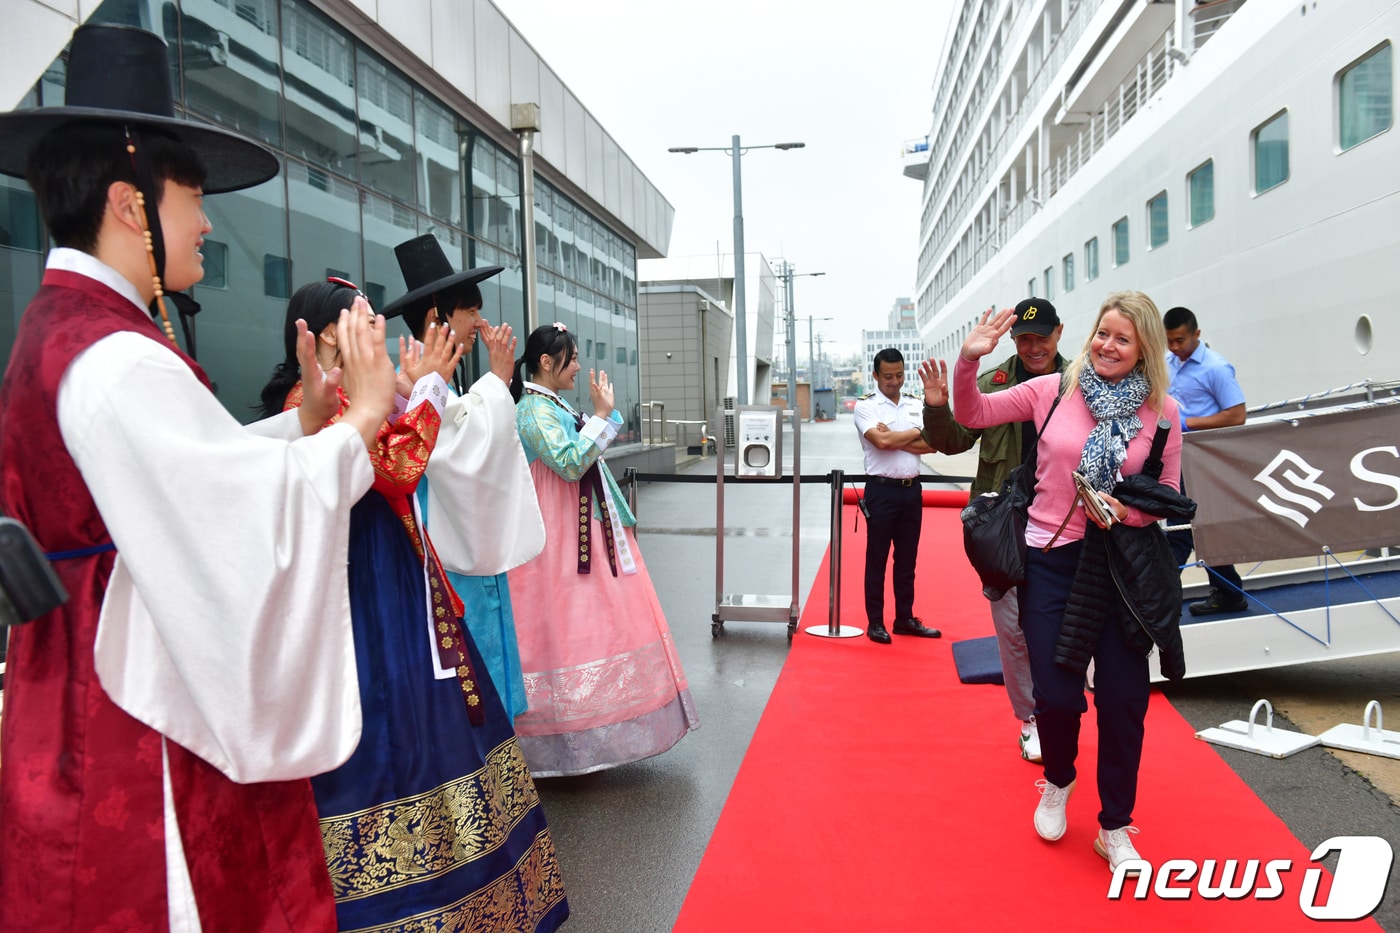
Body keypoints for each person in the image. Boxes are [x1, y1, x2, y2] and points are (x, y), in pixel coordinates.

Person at [0, 24, 397, 929]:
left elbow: (192, 483)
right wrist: (364, 418)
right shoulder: (115, 357)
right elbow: (228, 520)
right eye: (192, 199)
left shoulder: (63, 330)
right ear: (132, 206)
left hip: (74, 673)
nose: (208, 222)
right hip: (134, 702)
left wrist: (301, 426)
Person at [260, 280, 568, 931]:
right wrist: (424, 388)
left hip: (388, 576)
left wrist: (417, 384)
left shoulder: (343, 397)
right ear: (326, 338)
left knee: (422, 725)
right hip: (359, 596)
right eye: (366, 323)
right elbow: (399, 466)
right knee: (389, 731)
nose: (377, 332)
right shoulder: (313, 404)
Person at [950, 291, 1183, 874]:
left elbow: (1169, 497)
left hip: (1122, 568)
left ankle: (1115, 826)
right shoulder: (1052, 391)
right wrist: (968, 360)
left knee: (1125, 701)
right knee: (1055, 696)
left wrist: (1123, 512)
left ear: (1144, 350)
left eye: (1121, 339)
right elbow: (971, 414)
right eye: (1102, 332)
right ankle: (1058, 781)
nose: (1106, 345)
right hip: (1051, 558)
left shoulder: (1165, 414)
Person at [507, 323, 699, 776]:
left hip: (576, 528)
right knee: (563, 625)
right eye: (571, 358)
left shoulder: (548, 405)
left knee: (587, 622)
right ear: (547, 363)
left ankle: (590, 733)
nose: (577, 366)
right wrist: (604, 416)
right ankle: (564, 737)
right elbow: (571, 463)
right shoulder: (532, 411)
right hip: (557, 537)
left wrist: (600, 417)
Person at [383, 234, 545, 718]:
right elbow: (453, 447)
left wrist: (492, 389)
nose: (480, 322)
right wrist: (496, 381)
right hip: (443, 541)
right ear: (438, 317)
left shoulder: (438, 381)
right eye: (468, 311)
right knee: (465, 655)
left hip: (457, 534)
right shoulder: (410, 379)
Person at [919, 297, 1067, 760]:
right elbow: (951, 441)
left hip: (1065, 520)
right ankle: (1031, 719)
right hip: (1005, 525)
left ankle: (1059, 706)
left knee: (1062, 623)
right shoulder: (995, 381)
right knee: (1013, 628)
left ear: (1058, 333)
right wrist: (938, 407)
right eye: (1023, 339)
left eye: (1041, 337)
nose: (1033, 347)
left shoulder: (1081, 383)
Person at [1163, 305, 1249, 615]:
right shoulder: (1167, 363)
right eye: (1170, 341)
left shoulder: (1216, 368)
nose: (1175, 347)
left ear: (1197, 335)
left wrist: (1188, 422)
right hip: (1177, 459)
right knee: (1192, 529)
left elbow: (1237, 415)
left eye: (1181, 340)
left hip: (1205, 461)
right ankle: (1228, 592)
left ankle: (1158, 598)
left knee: (1185, 530)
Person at [853, 348, 941, 644]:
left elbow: (931, 445)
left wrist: (895, 437)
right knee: (876, 558)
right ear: (875, 375)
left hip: (911, 492)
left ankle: (904, 617)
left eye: (900, 375)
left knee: (907, 559)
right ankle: (875, 622)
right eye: (888, 376)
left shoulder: (915, 403)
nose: (894, 381)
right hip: (880, 491)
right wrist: (913, 433)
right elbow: (879, 440)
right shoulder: (866, 407)